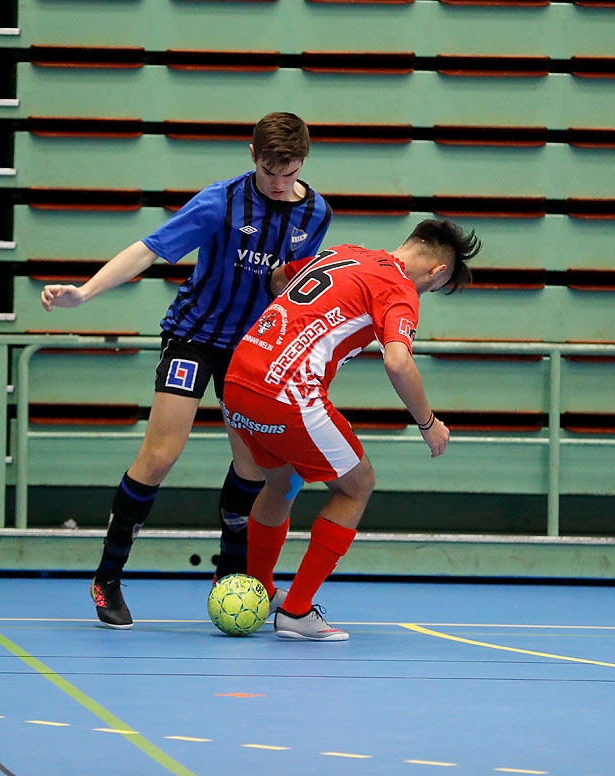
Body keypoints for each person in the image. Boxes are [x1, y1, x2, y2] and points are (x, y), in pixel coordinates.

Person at [39, 112, 333, 628]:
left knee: (255, 469)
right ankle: (107, 577)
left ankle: (231, 572)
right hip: (194, 337)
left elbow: (289, 288)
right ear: (252, 156)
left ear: (304, 161)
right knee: (159, 456)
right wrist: (83, 293)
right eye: (269, 171)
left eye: (289, 172)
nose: (279, 182)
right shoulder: (220, 201)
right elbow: (148, 249)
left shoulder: (316, 213)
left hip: (254, 349)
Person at [222, 219, 479, 641]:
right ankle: (297, 610)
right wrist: (428, 423)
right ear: (437, 272)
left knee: (282, 482)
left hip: (240, 377)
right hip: (289, 390)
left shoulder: (343, 252)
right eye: (433, 289)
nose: (426, 294)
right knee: (357, 485)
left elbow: (277, 279)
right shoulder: (398, 287)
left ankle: (261, 590)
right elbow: (397, 361)